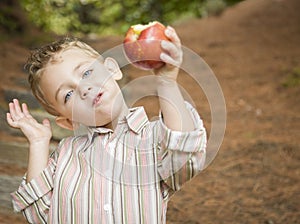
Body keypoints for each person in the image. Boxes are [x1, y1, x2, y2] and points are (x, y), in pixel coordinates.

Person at [7, 26, 207, 224]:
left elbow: (185, 157)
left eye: (86, 73)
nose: (82, 88)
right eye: (67, 95)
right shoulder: (65, 156)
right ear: (69, 121)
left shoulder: (155, 139)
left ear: (112, 69)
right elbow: (37, 214)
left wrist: (166, 82)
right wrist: (39, 143)